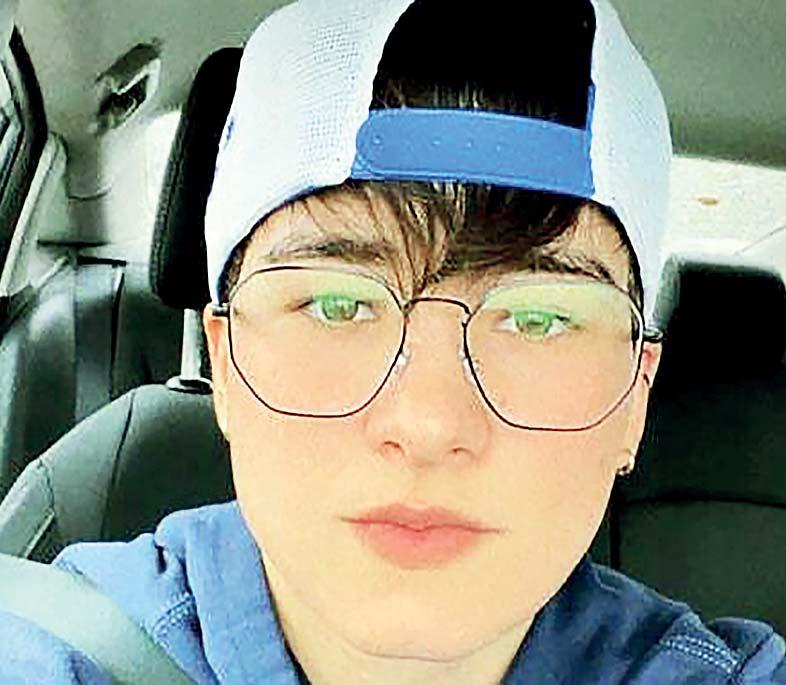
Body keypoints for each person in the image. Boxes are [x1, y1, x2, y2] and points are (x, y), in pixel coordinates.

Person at [2, 0, 785, 682]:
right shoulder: (49, 646)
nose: (428, 423)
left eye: (540, 319)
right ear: (226, 364)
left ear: (635, 398)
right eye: (336, 304)